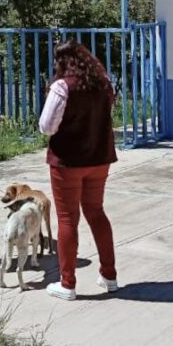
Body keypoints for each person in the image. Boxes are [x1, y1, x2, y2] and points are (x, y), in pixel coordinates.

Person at [38, 41, 118, 301]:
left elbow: (46, 127)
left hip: (68, 161)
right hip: (99, 158)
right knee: (96, 212)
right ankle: (109, 275)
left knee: (67, 219)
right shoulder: (103, 84)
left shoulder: (62, 87)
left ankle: (67, 283)